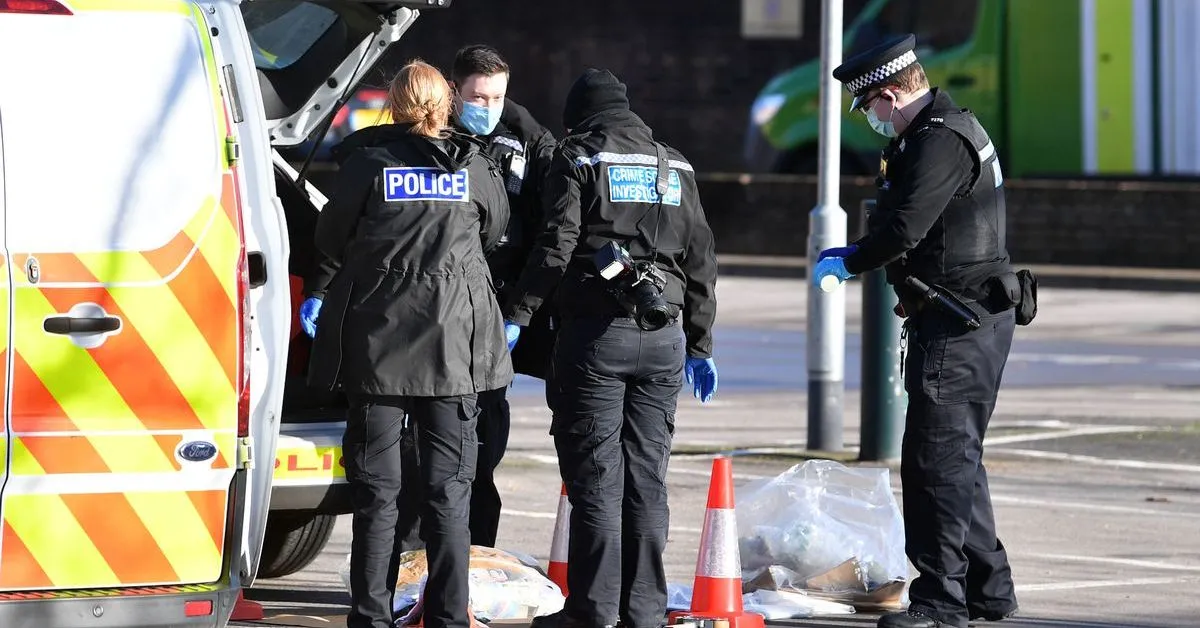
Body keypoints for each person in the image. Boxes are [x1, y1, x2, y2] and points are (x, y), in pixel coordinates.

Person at [815, 34, 1023, 628]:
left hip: (959, 323)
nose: (872, 121)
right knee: (958, 459)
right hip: (968, 316)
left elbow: (904, 227)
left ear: (887, 95)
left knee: (934, 465)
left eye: (870, 109)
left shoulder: (936, 143)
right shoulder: (947, 131)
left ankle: (941, 603)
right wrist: (860, 251)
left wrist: (852, 261)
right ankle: (988, 589)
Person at [505, 68, 719, 628]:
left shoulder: (578, 158)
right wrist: (701, 343)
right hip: (666, 337)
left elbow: (557, 247)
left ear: (581, 116)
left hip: (597, 337)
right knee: (646, 478)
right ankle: (645, 610)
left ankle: (593, 611)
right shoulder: (676, 163)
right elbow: (701, 260)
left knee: (597, 479)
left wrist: (518, 314)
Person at [306, 59, 513, 628]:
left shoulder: (367, 164)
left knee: (378, 498)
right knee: (450, 497)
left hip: (377, 354)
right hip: (454, 355)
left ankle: (369, 617)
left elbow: (331, 236)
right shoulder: (475, 167)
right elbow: (496, 233)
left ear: (394, 104)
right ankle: (449, 617)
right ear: (447, 103)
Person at [442, 43, 558, 548]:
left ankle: (475, 560)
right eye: (478, 97)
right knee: (432, 451)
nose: (487, 108)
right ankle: (415, 567)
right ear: (454, 93)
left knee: (484, 447)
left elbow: (554, 169)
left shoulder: (520, 145)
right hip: (442, 309)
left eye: (498, 99)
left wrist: (518, 312)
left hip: (495, 309)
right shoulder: (435, 141)